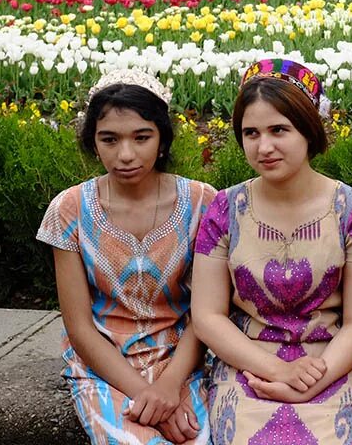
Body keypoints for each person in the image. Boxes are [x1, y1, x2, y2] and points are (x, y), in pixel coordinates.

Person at [192, 59, 352, 442]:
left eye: (279, 130)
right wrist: (275, 369)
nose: (264, 147)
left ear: (309, 131)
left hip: (331, 361)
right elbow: (208, 316)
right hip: (247, 363)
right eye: (251, 133)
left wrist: (314, 378)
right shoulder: (226, 209)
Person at [38, 69, 215, 445]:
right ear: (93, 143)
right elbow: (80, 328)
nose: (126, 154)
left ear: (163, 140)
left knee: (202, 438)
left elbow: (206, 313)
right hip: (104, 366)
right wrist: (146, 393)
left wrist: (168, 386)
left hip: (182, 360)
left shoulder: (203, 203)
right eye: (109, 139)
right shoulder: (70, 209)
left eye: (142, 137)